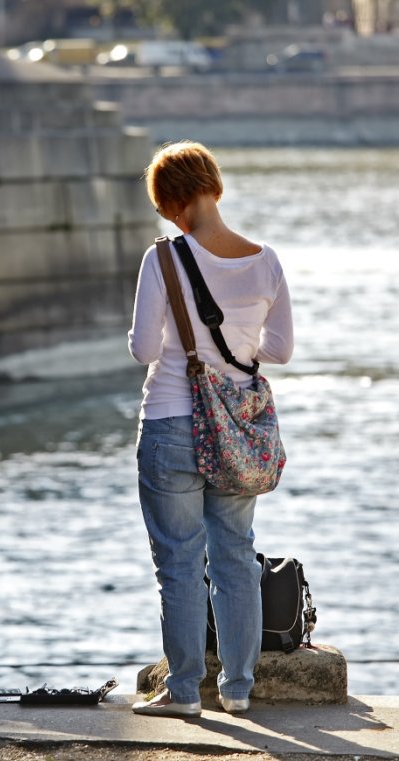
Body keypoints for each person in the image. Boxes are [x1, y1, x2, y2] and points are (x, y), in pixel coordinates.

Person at [128, 141, 294, 717]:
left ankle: (183, 693)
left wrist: (191, 349)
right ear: (213, 186)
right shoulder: (265, 259)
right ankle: (239, 689)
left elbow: (145, 348)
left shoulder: (165, 258)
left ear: (173, 202)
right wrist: (235, 353)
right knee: (235, 556)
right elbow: (281, 350)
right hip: (237, 427)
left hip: (172, 418)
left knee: (178, 561)